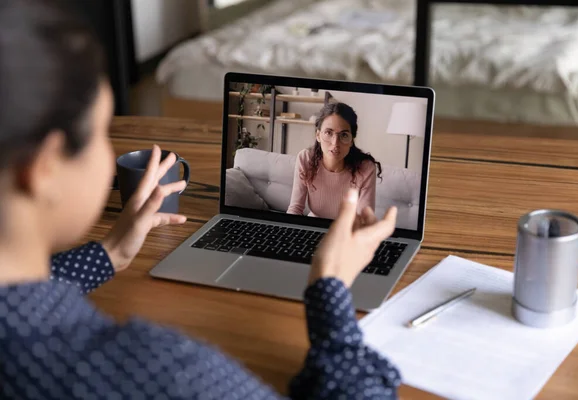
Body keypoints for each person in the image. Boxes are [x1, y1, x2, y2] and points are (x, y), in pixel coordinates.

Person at [0, 1, 401, 399]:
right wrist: (329, 291)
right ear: (45, 167)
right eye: (101, 132)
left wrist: (107, 255)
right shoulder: (167, 372)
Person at [287, 102, 383, 219]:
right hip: (314, 225)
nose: (335, 143)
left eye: (344, 135)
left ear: (352, 140)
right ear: (318, 135)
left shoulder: (366, 168)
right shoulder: (305, 159)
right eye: (328, 132)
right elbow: (295, 209)